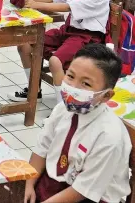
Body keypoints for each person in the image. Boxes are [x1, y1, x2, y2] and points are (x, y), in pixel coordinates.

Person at [24, 44, 130, 203]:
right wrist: (29, 184)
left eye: (86, 84)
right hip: (55, 183)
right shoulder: (61, 109)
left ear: (106, 95)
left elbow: (84, 190)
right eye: (70, 76)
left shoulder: (109, 135)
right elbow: (42, 149)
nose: (73, 87)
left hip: (90, 197)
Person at [8, 0, 110, 103]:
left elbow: (67, 6)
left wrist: (35, 5)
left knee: (56, 61)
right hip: (68, 31)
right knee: (25, 43)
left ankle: (63, 108)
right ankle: (34, 90)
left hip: (87, 38)